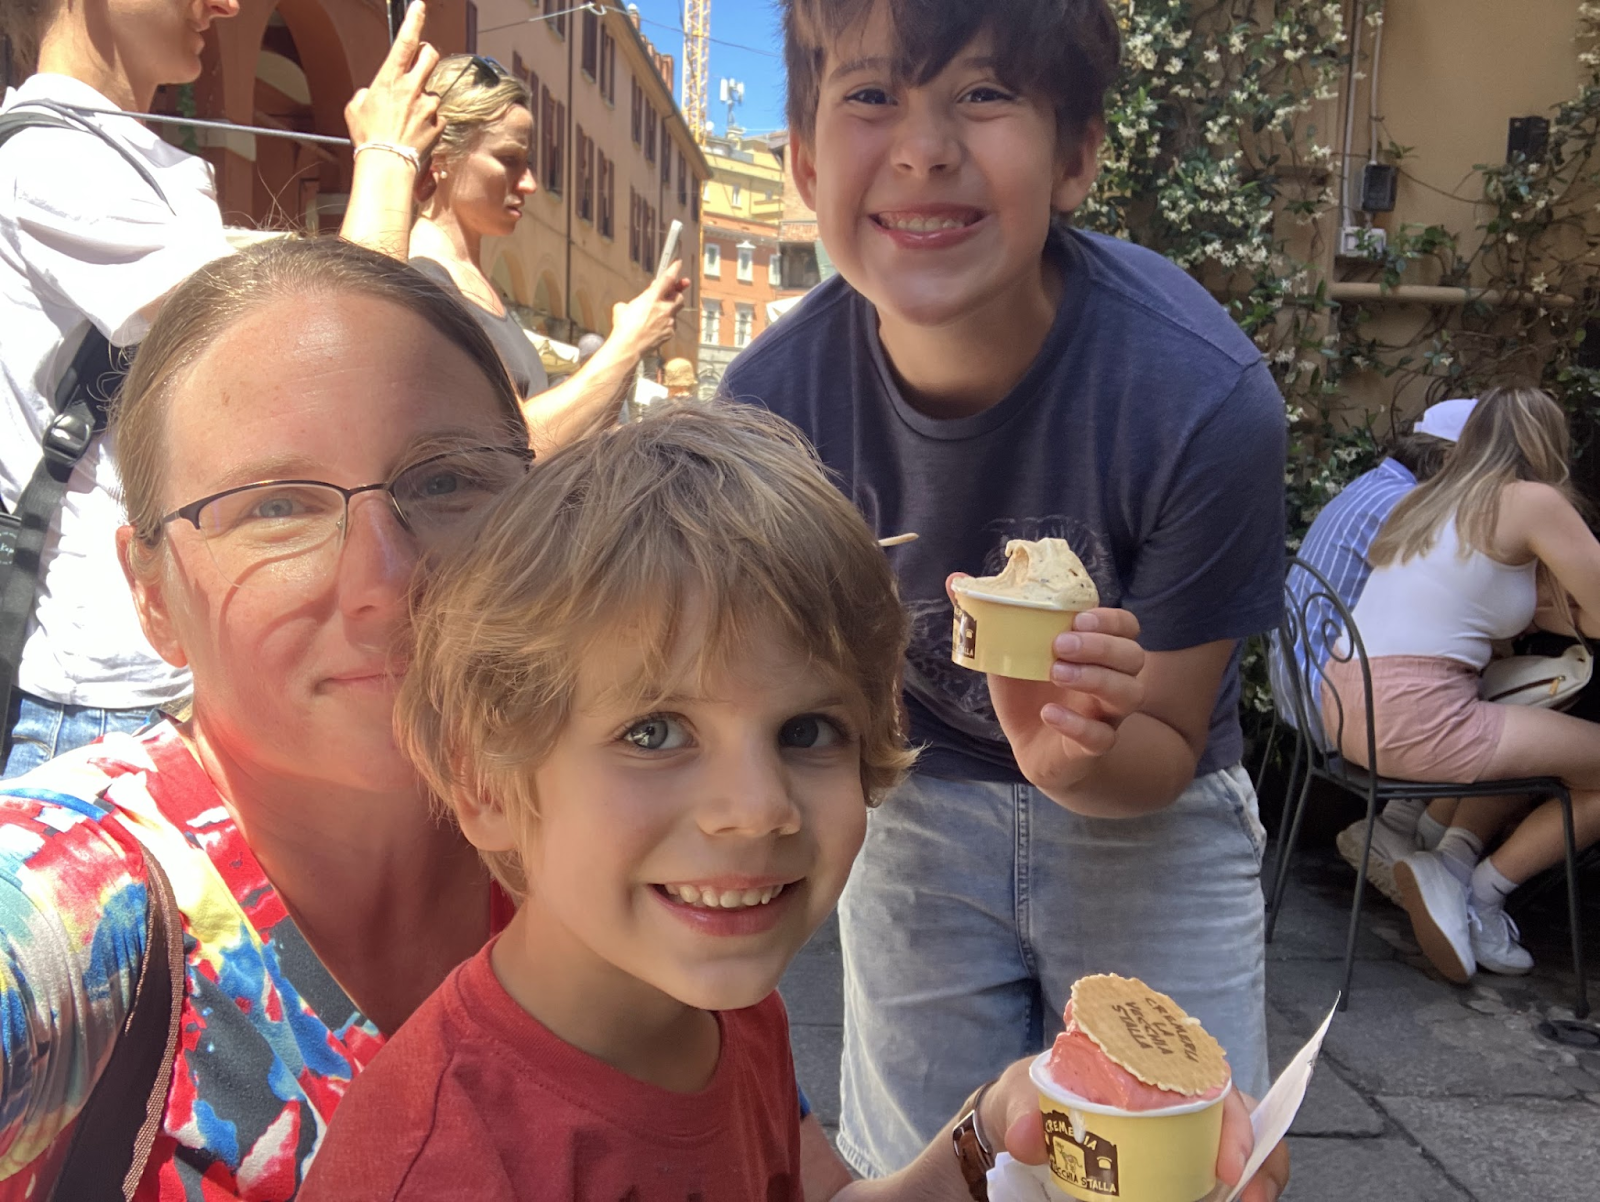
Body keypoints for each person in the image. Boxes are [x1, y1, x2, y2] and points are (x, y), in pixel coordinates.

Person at [297, 405, 1280, 1201]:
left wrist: (996, 1134)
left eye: (807, 730)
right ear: (484, 783)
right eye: (652, 731)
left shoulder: (726, 1015)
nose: (755, 809)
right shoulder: (447, 1163)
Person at [720, 0, 1285, 1175]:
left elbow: (1167, 736)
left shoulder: (1199, 397)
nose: (923, 146)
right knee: (929, 1163)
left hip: (1152, 812)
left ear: (1075, 155)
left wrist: (1072, 753)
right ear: (809, 162)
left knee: (1178, 1164)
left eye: (983, 94)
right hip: (917, 803)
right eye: (871, 93)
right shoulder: (770, 416)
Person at [0, 0, 442, 776]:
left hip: (157, 675)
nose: (227, 5)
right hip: (116, 702)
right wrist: (387, 160)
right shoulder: (53, 165)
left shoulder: (109, 161)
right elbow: (330, 357)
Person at [1322, 386, 1600, 982]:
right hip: (1416, 719)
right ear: (1548, 443)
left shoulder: (1424, 500)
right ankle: (1483, 893)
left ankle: (1447, 857)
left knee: (1543, 733)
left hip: (1347, 706)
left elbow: (1477, 605)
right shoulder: (1533, 501)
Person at [409, 54, 689, 451]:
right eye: (508, 160)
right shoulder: (422, 282)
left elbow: (563, 435)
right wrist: (629, 342)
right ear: (442, 159)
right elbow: (518, 448)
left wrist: (627, 353)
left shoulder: (470, 280)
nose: (530, 184)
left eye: (529, 163)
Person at [1268, 398, 1474, 902]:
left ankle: (1404, 831)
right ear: (1449, 462)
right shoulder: (1409, 509)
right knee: (1493, 690)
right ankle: (1432, 859)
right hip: (1334, 701)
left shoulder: (1377, 488)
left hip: (1299, 683)